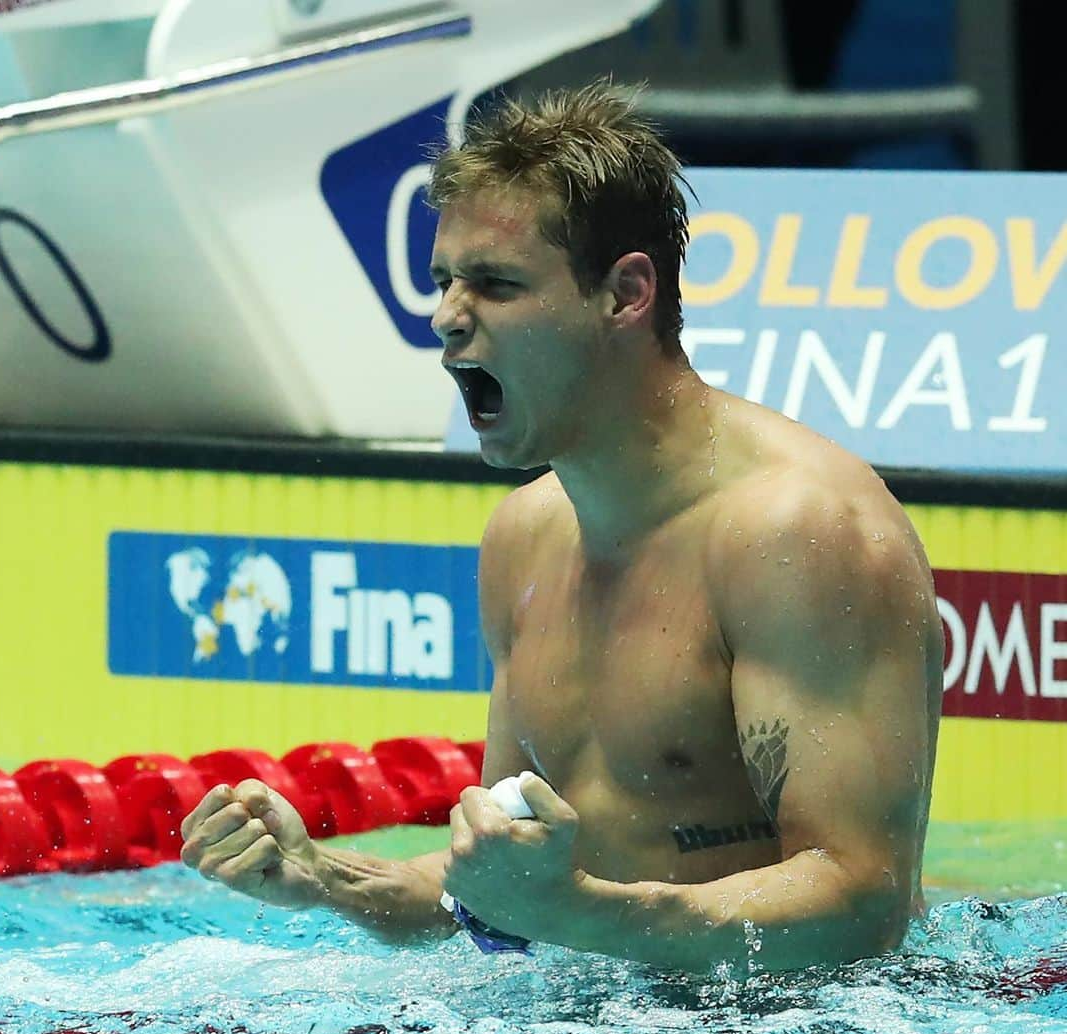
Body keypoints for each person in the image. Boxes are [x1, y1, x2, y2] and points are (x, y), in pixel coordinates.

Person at [180, 83, 943, 973]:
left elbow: (861, 903)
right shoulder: (524, 539)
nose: (445, 316)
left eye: (495, 285)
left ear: (625, 294)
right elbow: (501, 888)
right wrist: (321, 875)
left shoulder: (801, 534)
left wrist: (582, 914)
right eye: (443, 281)